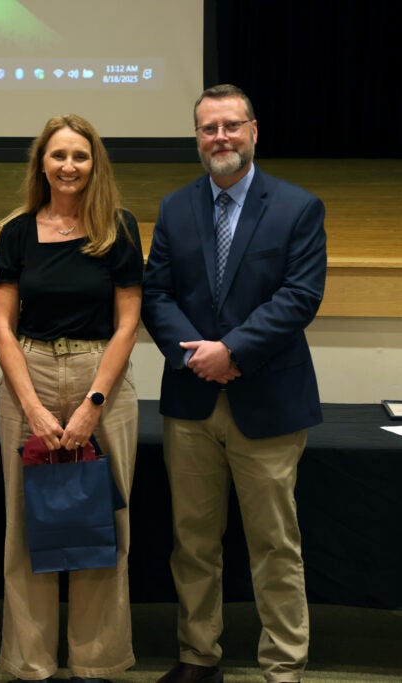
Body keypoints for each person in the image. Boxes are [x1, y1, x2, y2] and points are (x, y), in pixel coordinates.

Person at [141, 84, 327, 683]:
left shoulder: (298, 207)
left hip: (267, 400)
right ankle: (199, 656)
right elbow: (158, 294)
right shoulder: (175, 208)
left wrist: (234, 352)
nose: (219, 137)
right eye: (207, 128)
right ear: (196, 138)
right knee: (193, 542)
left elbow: (301, 296)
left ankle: (283, 666)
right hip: (192, 402)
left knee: (274, 545)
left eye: (229, 126)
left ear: (253, 130)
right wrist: (200, 358)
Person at [0, 114, 144, 683]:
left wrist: (92, 404)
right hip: (26, 375)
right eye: (58, 155)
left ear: (94, 163)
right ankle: (30, 665)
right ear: (42, 165)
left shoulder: (118, 228)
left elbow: (128, 323)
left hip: (98, 374)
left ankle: (95, 664)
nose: (69, 166)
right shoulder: (17, 231)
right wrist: (31, 406)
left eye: (80, 155)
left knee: (103, 527)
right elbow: (3, 326)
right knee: (25, 525)